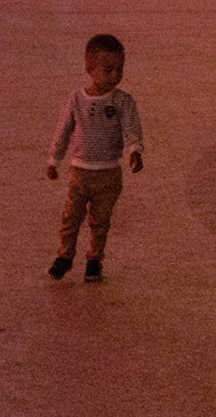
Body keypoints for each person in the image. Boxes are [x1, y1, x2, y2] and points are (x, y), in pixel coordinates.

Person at [46, 32, 145, 281]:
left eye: (119, 69)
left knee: (100, 221)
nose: (115, 76)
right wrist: (54, 159)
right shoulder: (75, 100)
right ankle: (65, 256)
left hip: (108, 174)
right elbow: (63, 130)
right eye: (108, 69)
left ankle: (94, 260)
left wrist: (134, 150)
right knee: (71, 217)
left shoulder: (123, 102)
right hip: (79, 172)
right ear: (89, 67)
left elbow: (131, 128)